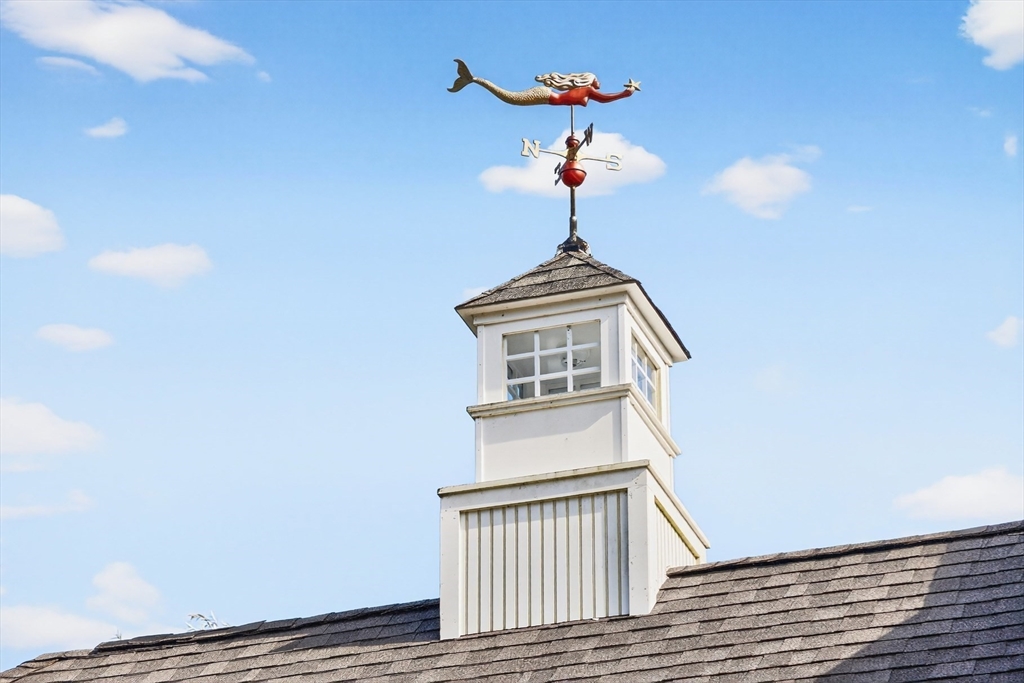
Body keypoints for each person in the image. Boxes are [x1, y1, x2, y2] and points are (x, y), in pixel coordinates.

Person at [448, 60, 639, 107]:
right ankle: (472, 79)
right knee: (511, 98)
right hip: (546, 95)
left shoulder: (584, 89)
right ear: (589, 80)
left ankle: (472, 80)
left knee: (511, 98)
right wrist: (624, 94)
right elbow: (604, 99)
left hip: (547, 94)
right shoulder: (587, 90)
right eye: (597, 79)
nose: (599, 82)